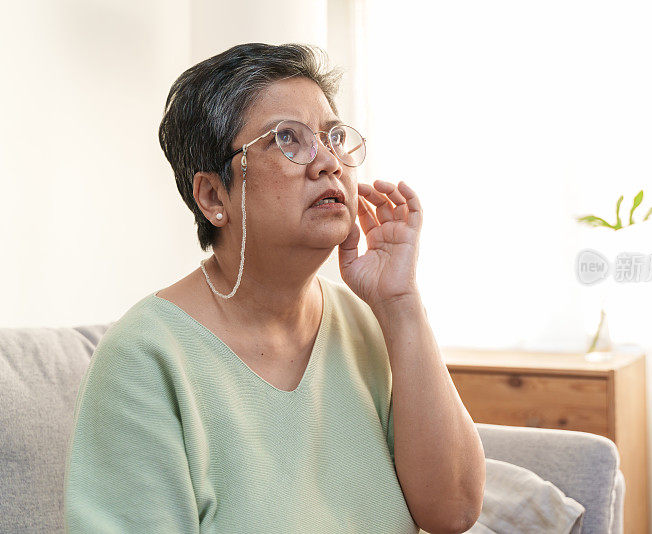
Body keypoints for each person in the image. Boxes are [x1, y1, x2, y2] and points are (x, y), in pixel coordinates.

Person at [63, 42, 485, 533]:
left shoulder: (370, 321)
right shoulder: (145, 357)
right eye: (288, 139)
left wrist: (401, 305)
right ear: (213, 195)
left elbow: (452, 511)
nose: (328, 161)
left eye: (333, 137)